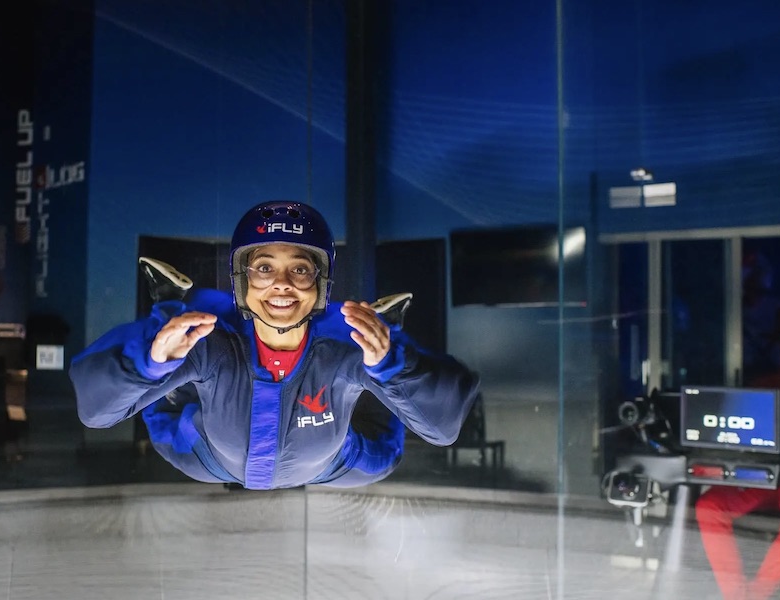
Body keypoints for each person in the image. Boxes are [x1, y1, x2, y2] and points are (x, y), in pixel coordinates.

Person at [70, 200, 480, 490]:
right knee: (163, 408)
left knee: (384, 454)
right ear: (243, 280)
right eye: (264, 267)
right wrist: (151, 361)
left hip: (328, 464)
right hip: (209, 457)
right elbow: (97, 413)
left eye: (300, 269)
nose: (281, 283)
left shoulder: (345, 341)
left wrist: (392, 364)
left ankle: (386, 328)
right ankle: (168, 309)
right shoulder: (210, 339)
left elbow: (441, 429)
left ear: (319, 283)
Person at [695, 305, 780, 600]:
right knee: (708, 506)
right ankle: (736, 596)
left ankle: (757, 595)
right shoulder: (766, 386)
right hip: (763, 473)